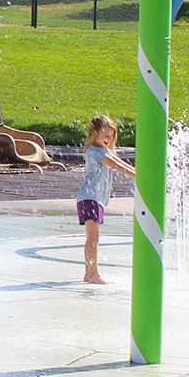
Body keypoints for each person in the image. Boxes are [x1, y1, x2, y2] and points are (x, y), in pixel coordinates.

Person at [78, 115, 137, 285]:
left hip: (94, 199)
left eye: (111, 136)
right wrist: (140, 176)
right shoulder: (95, 151)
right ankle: (92, 274)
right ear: (95, 133)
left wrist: (137, 172)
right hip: (89, 198)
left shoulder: (104, 151)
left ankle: (89, 273)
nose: (109, 139)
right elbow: (118, 166)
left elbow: (121, 162)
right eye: (105, 135)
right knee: (92, 238)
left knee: (93, 237)